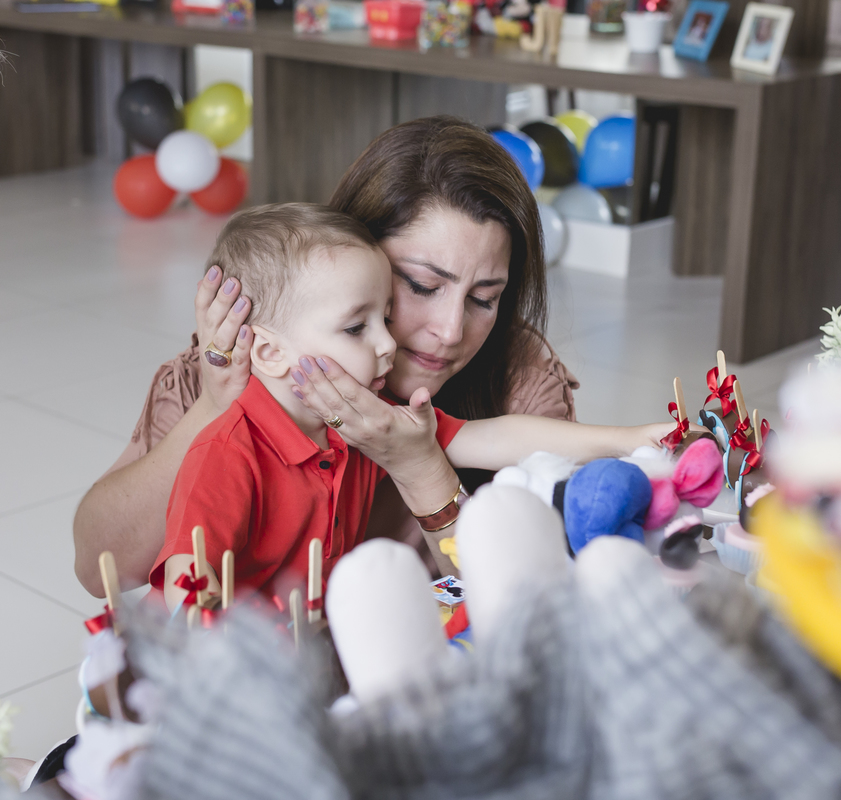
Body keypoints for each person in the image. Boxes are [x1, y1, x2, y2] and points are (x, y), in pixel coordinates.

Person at [73, 117, 614, 593]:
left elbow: (531, 605)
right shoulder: (233, 362)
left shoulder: (521, 378)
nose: (450, 331)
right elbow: (103, 571)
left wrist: (423, 471)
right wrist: (216, 410)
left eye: (483, 299)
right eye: (421, 286)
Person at [154, 203, 666, 609]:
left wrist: (632, 439)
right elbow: (189, 590)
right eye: (357, 327)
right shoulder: (227, 453)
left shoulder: (369, 417)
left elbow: (500, 437)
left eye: (386, 317)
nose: (385, 345)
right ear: (269, 352)